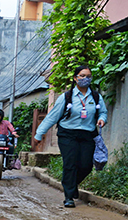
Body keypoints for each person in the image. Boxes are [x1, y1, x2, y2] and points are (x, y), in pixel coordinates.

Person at [34, 66, 108, 208]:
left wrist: (102, 119)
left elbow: (103, 112)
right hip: (68, 134)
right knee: (70, 163)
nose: (86, 79)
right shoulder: (66, 97)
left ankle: (72, 185)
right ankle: (69, 197)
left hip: (88, 134)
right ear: (75, 78)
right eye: (82, 76)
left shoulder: (96, 97)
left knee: (86, 165)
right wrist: (39, 134)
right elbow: (52, 117)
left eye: (88, 76)